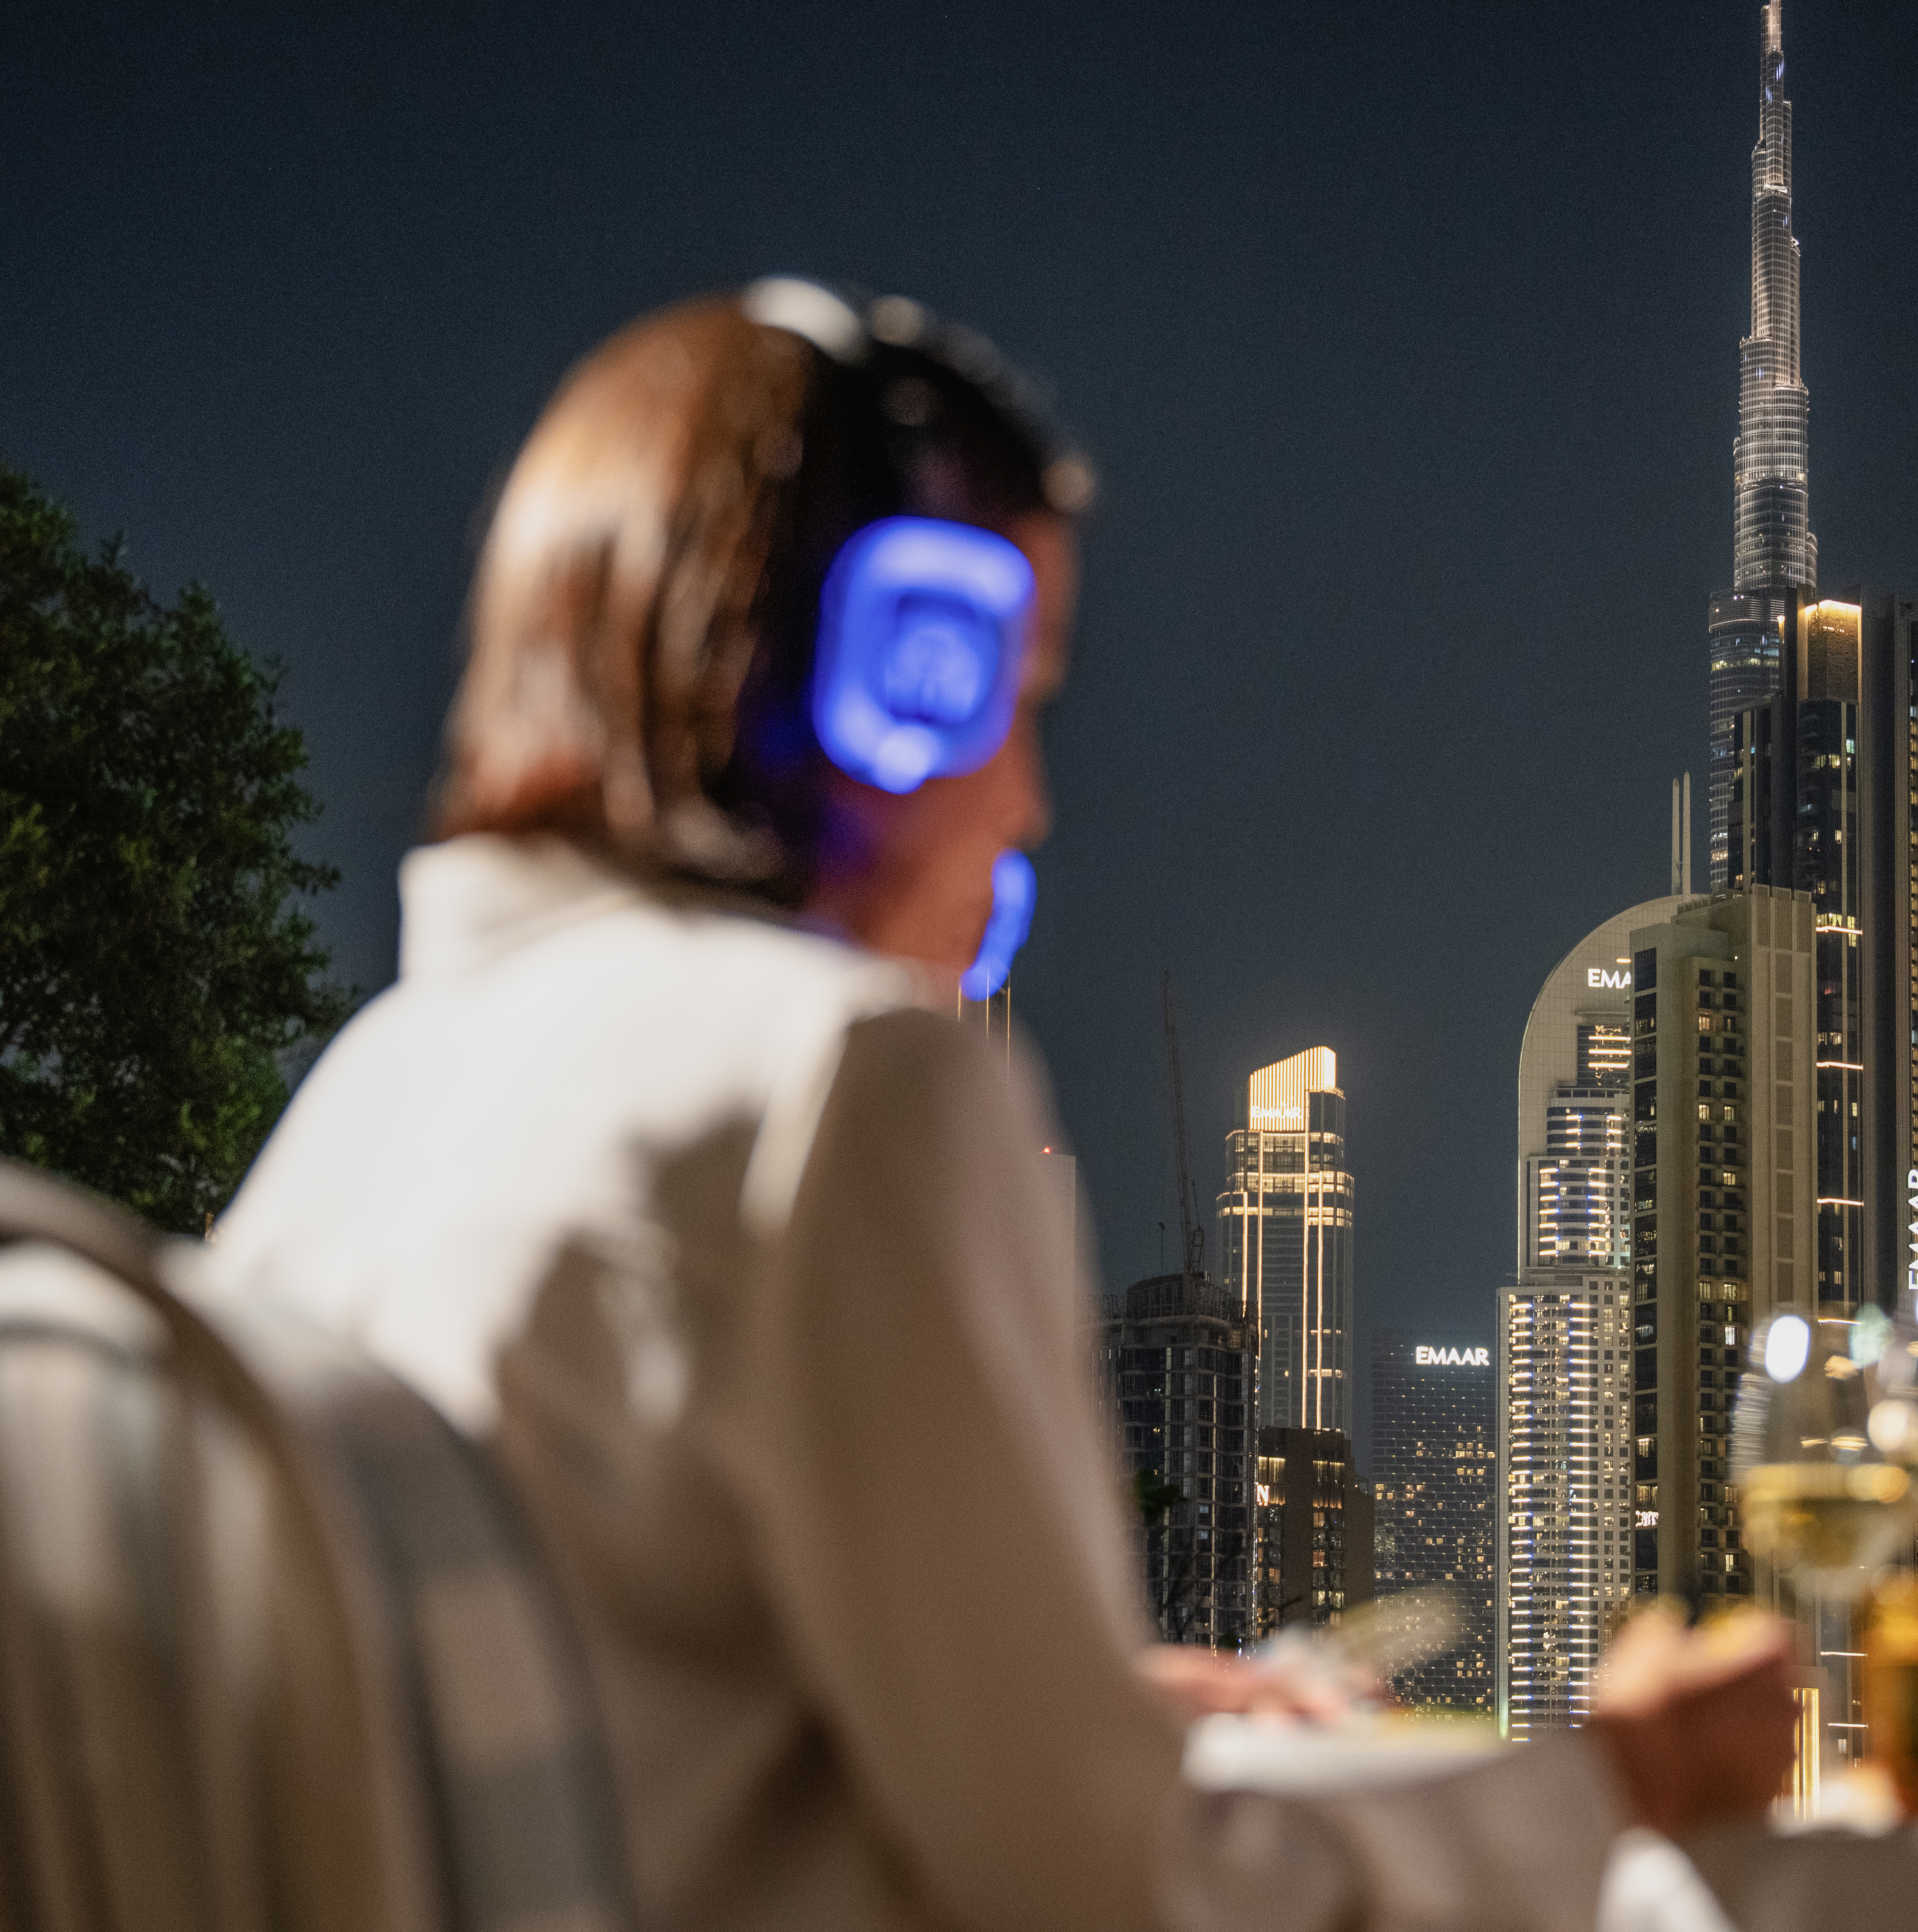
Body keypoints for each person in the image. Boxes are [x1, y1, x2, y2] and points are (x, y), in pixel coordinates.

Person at [207, 285, 1794, 1932]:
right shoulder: (850, 1075)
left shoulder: (363, 1099)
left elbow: (602, 1728)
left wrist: (1066, 1717)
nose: (1029, 796)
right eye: (1012, 694)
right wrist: (1610, 1783)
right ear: (897, 666)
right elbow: (1135, 1903)